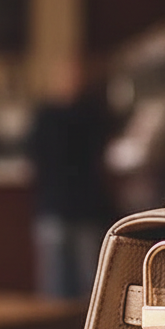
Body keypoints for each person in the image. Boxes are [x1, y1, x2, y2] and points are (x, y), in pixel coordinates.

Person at [26, 56, 116, 299]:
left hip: (87, 209)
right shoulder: (46, 116)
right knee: (54, 284)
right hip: (54, 208)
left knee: (92, 286)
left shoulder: (94, 115)